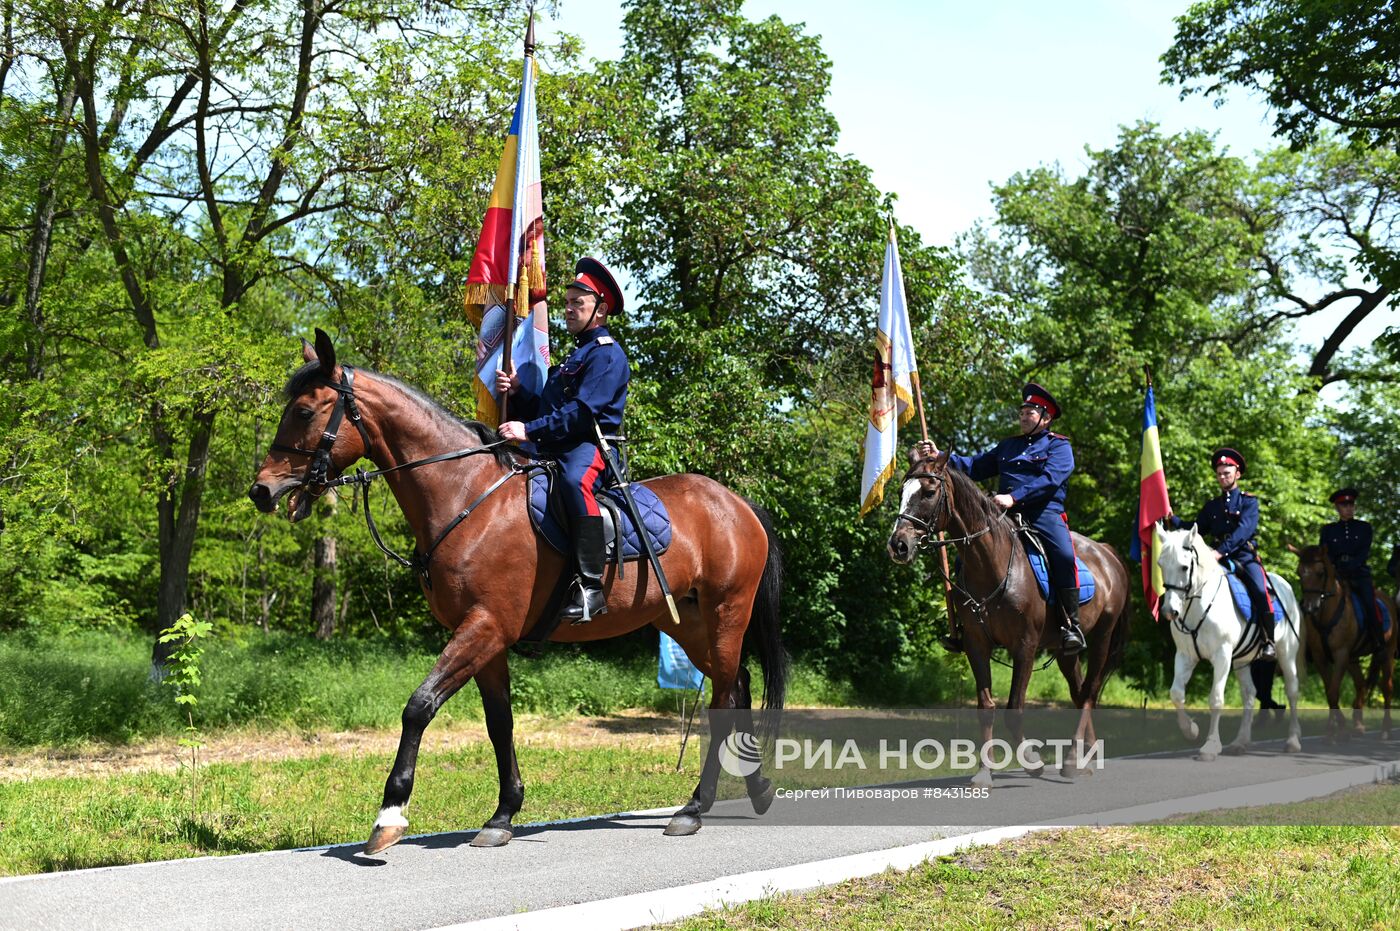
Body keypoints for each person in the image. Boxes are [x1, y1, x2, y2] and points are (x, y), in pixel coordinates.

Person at [496, 257, 629, 623]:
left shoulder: (607, 354)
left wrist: (528, 430)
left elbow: (582, 414)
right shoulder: (577, 354)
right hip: (558, 445)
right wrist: (521, 395)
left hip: (590, 447)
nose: (568, 310)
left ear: (600, 311)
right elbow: (548, 408)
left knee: (574, 482)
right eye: (567, 303)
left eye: (578, 304)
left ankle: (590, 588)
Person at [918, 383, 1086, 655]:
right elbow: (975, 466)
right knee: (968, 552)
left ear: (1046, 417)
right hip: (1003, 514)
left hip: (1044, 514)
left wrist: (1014, 497)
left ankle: (1070, 625)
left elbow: (1050, 479)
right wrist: (940, 456)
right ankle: (965, 626)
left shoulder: (1059, 447)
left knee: (1064, 556)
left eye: (1030, 411)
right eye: (1022, 411)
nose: (1023, 415)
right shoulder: (1008, 445)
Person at [1175, 448, 1276, 661]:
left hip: (1242, 557)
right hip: (1214, 557)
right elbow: (1197, 528)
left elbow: (1243, 532)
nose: (1222, 477)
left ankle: (1268, 641)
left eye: (1227, 473)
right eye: (1219, 474)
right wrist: (1173, 522)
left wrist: (1220, 552)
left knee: (1260, 589)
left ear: (1237, 474)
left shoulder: (1249, 502)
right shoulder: (1212, 506)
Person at [1320, 487, 1381, 650]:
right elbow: (1324, 553)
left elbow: (1364, 553)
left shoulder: (1364, 528)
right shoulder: (1328, 530)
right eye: (1344, 505)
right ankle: (1312, 646)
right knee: (1313, 601)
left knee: (1369, 603)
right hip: (1336, 574)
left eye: (1351, 505)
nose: (1348, 508)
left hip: (1358, 573)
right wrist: (1335, 567)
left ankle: (1377, 639)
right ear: (1337, 508)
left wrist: (1350, 565)